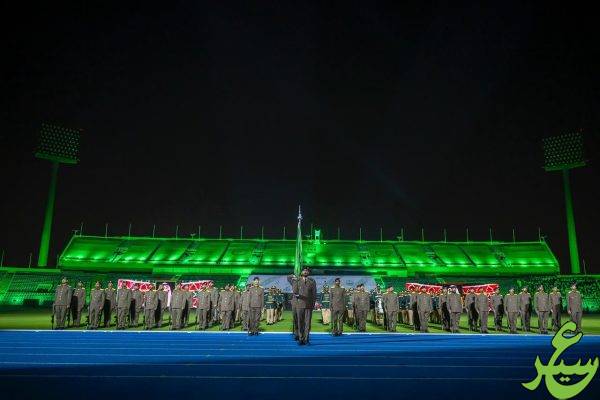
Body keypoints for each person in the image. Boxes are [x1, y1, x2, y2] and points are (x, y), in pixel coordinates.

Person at [287, 268, 316, 345]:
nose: (305, 272)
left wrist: (313, 305)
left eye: (307, 271)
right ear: (301, 272)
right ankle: (300, 338)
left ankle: (306, 339)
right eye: (304, 270)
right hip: (299, 304)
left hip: (308, 305)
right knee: (299, 322)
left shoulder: (312, 282)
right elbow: (289, 278)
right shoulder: (296, 280)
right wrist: (294, 276)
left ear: (308, 273)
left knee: (307, 323)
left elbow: (314, 294)